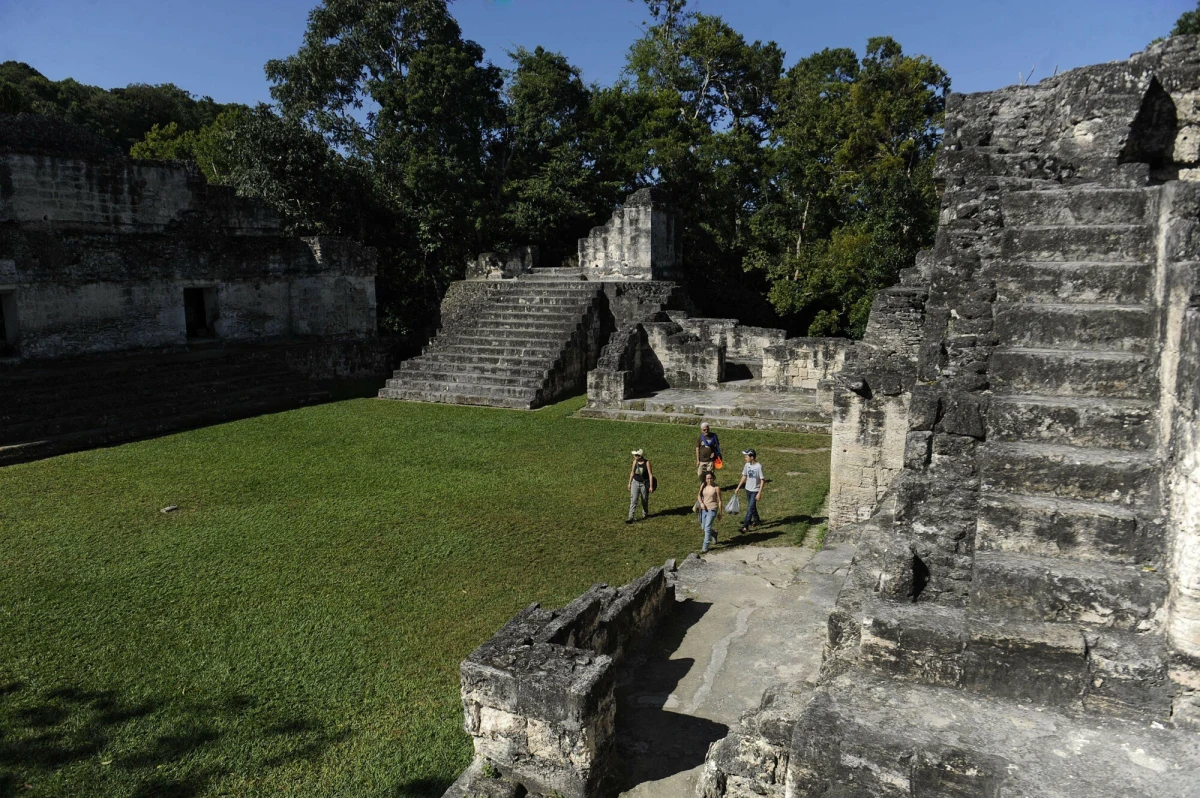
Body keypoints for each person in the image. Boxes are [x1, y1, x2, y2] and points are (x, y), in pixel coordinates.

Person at [733, 448, 765, 534]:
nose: (745, 458)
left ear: (752, 457)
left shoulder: (759, 466)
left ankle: (745, 526)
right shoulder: (747, 465)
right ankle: (757, 519)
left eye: (746, 456)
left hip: (755, 490)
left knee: (750, 508)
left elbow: (762, 480)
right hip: (748, 489)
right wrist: (738, 487)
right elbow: (744, 476)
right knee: (752, 506)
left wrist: (759, 492)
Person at [693, 422, 721, 511]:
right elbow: (697, 448)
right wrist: (697, 460)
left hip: (710, 461)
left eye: (707, 429)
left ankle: (707, 487)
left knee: (709, 476)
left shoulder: (713, 436)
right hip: (702, 461)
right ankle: (704, 485)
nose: (706, 431)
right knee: (700, 474)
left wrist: (715, 453)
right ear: (701, 430)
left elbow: (717, 447)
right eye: (704, 430)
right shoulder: (700, 437)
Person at [696, 470, 723, 553]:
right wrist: (701, 503)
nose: (709, 480)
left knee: (707, 528)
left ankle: (705, 546)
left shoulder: (716, 488)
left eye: (711, 478)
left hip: (712, 509)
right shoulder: (703, 485)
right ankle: (714, 534)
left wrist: (720, 513)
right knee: (704, 527)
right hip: (704, 509)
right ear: (705, 479)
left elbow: (720, 501)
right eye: (707, 478)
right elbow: (699, 495)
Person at [626, 449, 655, 524]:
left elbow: (650, 475)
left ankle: (645, 513)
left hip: (644, 484)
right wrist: (629, 483)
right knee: (633, 500)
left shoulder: (647, 463)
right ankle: (630, 517)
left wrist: (651, 486)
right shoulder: (635, 462)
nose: (634, 456)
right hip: (635, 483)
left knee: (644, 500)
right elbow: (632, 473)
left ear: (639, 456)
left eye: (635, 455)